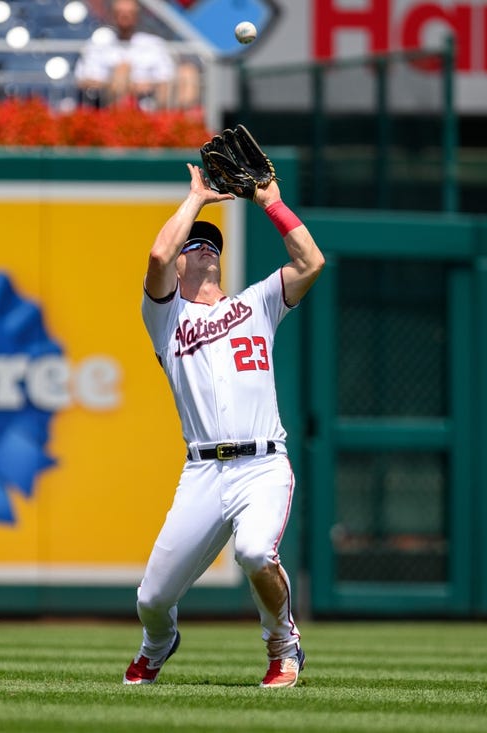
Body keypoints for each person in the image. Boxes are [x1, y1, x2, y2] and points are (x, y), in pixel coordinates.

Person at [127, 162, 325, 688]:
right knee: (151, 598)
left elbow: (311, 262)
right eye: (195, 244)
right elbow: (156, 256)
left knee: (256, 552)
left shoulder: (255, 303)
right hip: (202, 474)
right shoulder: (166, 320)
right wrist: (196, 199)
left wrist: (270, 203)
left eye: (212, 243)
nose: (205, 247)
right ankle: (158, 641)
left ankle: (283, 645)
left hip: (262, 464)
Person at [74, 0, 199, 111]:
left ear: (137, 15)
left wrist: (145, 85)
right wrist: (121, 83)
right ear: (112, 15)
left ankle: (181, 126)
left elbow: (166, 77)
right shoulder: (98, 42)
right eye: (120, 13)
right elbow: (85, 78)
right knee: (121, 72)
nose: (125, 17)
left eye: (129, 13)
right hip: (106, 103)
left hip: (150, 102)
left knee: (187, 72)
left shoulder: (153, 44)